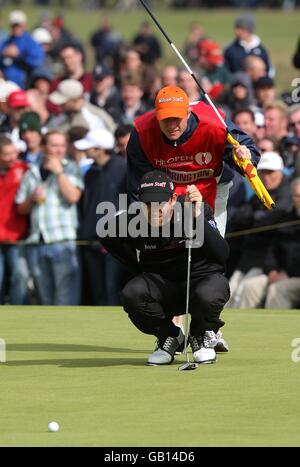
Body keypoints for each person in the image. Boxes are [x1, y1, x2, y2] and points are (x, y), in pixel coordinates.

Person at [100, 170, 230, 366]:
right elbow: (107, 236)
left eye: (161, 203)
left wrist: (197, 219)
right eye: (148, 205)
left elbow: (222, 255)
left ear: (172, 200)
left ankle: (200, 335)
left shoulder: (194, 210)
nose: (155, 210)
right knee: (132, 292)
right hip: (163, 287)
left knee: (210, 292)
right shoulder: (132, 220)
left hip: (200, 281)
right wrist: (137, 270)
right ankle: (170, 337)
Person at [126, 85, 260, 237]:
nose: (171, 126)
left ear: (188, 113)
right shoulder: (141, 132)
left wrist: (244, 157)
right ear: (156, 115)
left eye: (176, 119)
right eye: (165, 119)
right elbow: (138, 185)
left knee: (211, 247)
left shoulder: (215, 123)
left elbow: (248, 151)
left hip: (213, 188)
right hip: (166, 196)